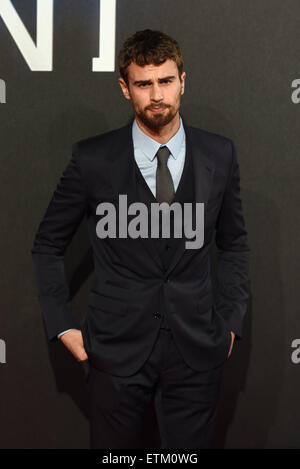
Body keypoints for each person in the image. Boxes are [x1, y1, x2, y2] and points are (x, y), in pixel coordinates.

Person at [31, 29, 250, 449]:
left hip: (197, 349)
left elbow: (235, 243)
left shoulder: (219, 154)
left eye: (165, 81)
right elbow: (47, 246)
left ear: (183, 80)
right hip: (115, 350)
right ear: (124, 87)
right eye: (143, 83)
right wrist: (62, 326)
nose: (156, 95)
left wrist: (231, 325)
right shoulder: (91, 159)